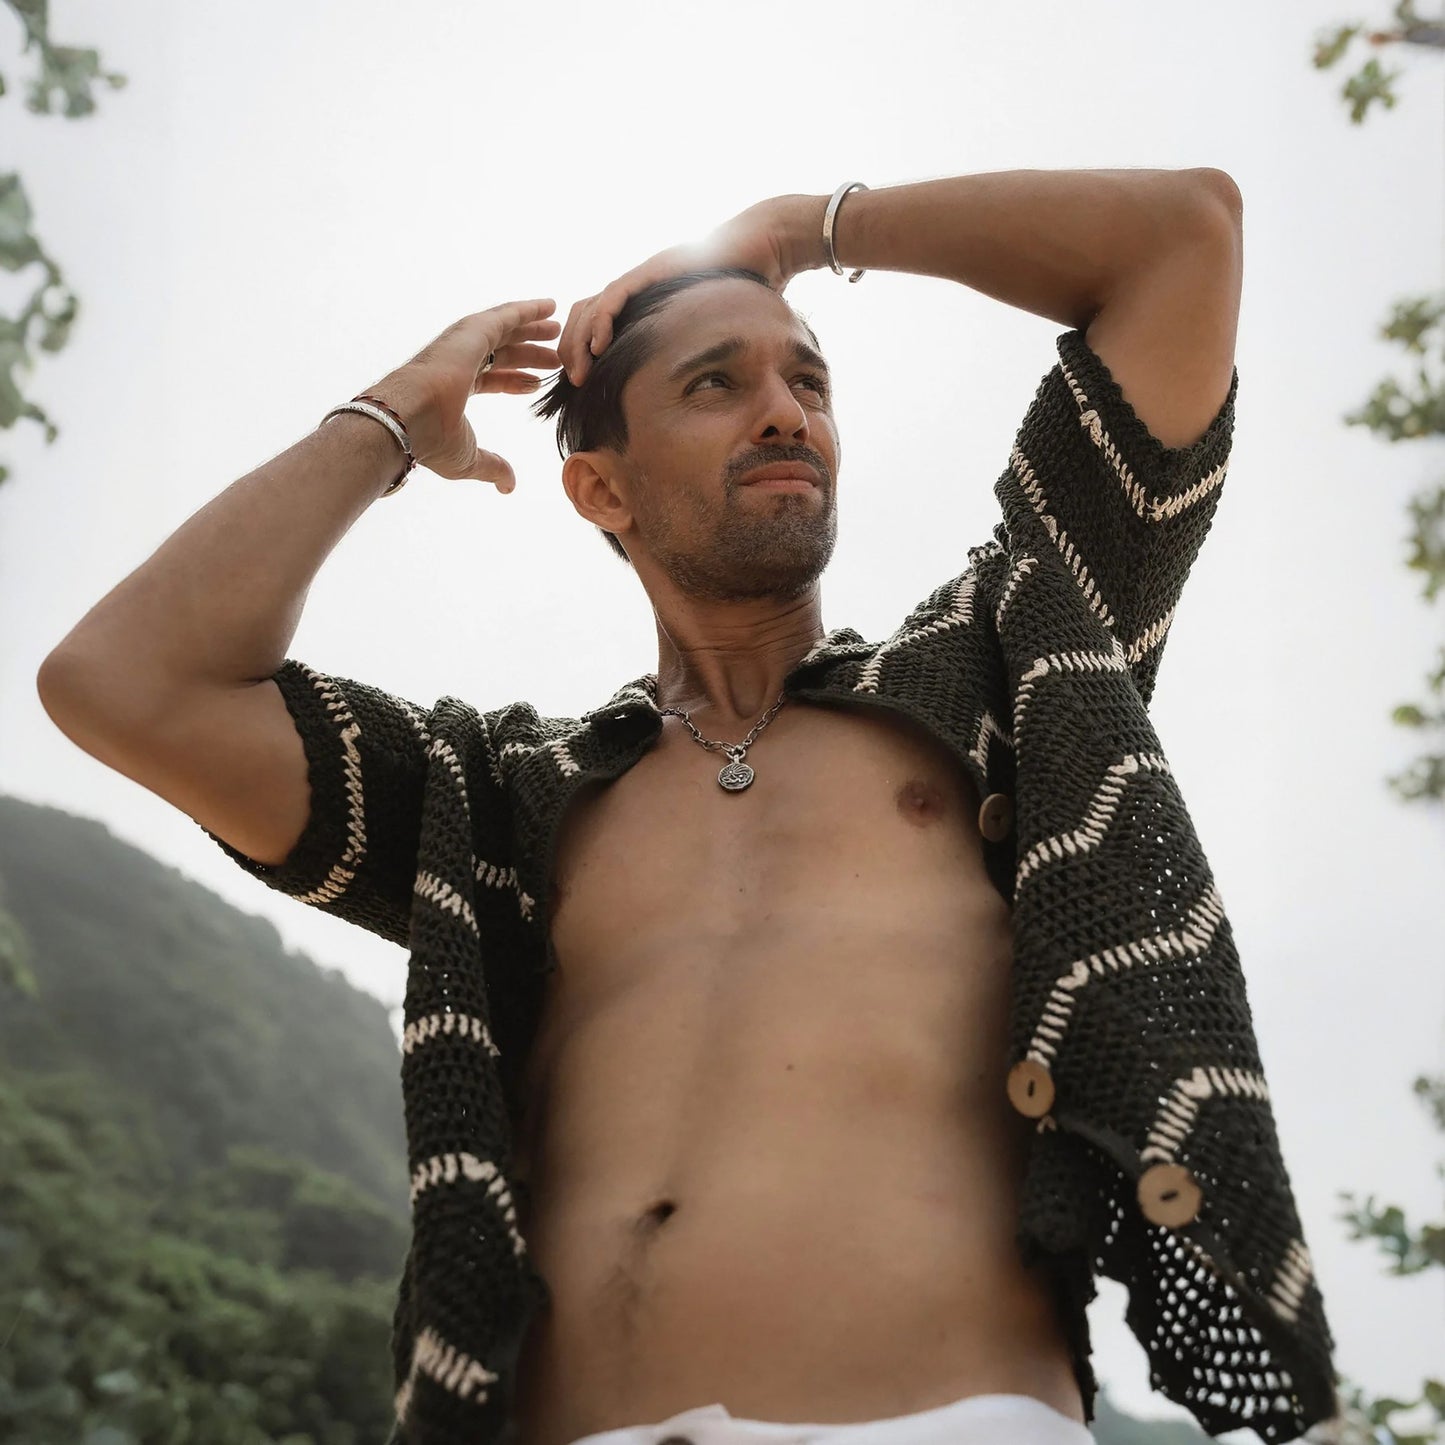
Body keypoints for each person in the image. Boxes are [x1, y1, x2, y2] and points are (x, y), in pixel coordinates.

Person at [36, 171, 1338, 1445]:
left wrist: (797, 230)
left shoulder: (1001, 670)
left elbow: (1183, 237)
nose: (782, 413)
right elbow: (126, 682)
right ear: (600, 488)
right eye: (715, 384)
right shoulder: (494, 799)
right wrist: (392, 415)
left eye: (808, 381)